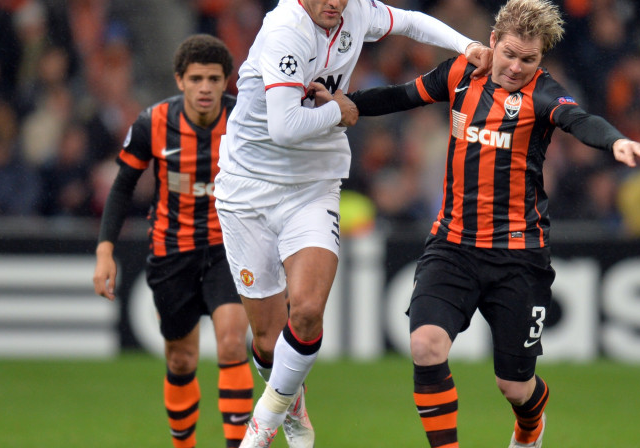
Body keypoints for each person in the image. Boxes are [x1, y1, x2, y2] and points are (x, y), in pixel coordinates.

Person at [343, 0, 640, 446]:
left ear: (541, 59)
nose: (515, 67)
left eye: (528, 59)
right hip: (451, 246)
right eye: (509, 53)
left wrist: (616, 142)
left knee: (514, 387)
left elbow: (579, 121)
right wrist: (346, 104)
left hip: (518, 258)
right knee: (425, 347)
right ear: (492, 41)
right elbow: (402, 95)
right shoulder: (459, 74)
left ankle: (530, 425)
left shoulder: (544, 94)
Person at [212, 0, 493, 446]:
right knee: (267, 343)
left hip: (313, 183)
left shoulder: (355, 12)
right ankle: (291, 400)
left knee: (305, 312)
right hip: (247, 188)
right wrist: (340, 111)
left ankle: (262, 425)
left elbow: (412, 22)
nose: (334, 3)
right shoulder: (286, 30)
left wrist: (468, 46)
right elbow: (285, 126)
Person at [92, 34, 254, 448]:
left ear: (226, 82)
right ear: (180, 80)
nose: (205, 88)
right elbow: (122, 187)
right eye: (196, 78)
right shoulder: (152, 123)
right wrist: (105, 250)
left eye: (214, 79)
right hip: (172, 251)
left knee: (233, 341)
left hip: (229, 248)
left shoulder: (245, 121)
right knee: (181, 358)